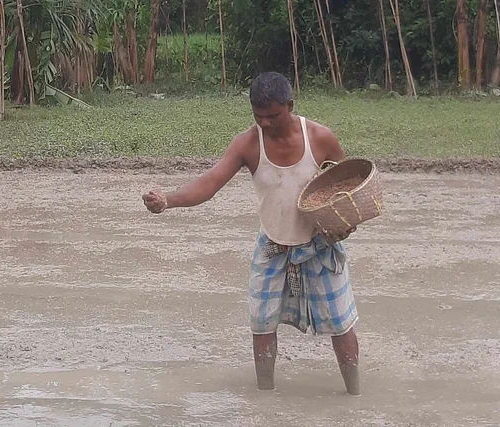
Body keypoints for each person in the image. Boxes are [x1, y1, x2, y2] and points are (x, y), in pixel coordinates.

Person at [141, 71, 360, 395]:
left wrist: (347, 222)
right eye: (259, 118)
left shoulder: (319, 138)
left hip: (319, 247)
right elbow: (209, 183)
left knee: (341, 325)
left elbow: (346, 184)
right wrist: (167, 201)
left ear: (290, 105)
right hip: (272, 247)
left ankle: (354, 394)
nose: (267, 124)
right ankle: (264, 395)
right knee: (262, 325)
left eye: (273, 116)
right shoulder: (247, 144)